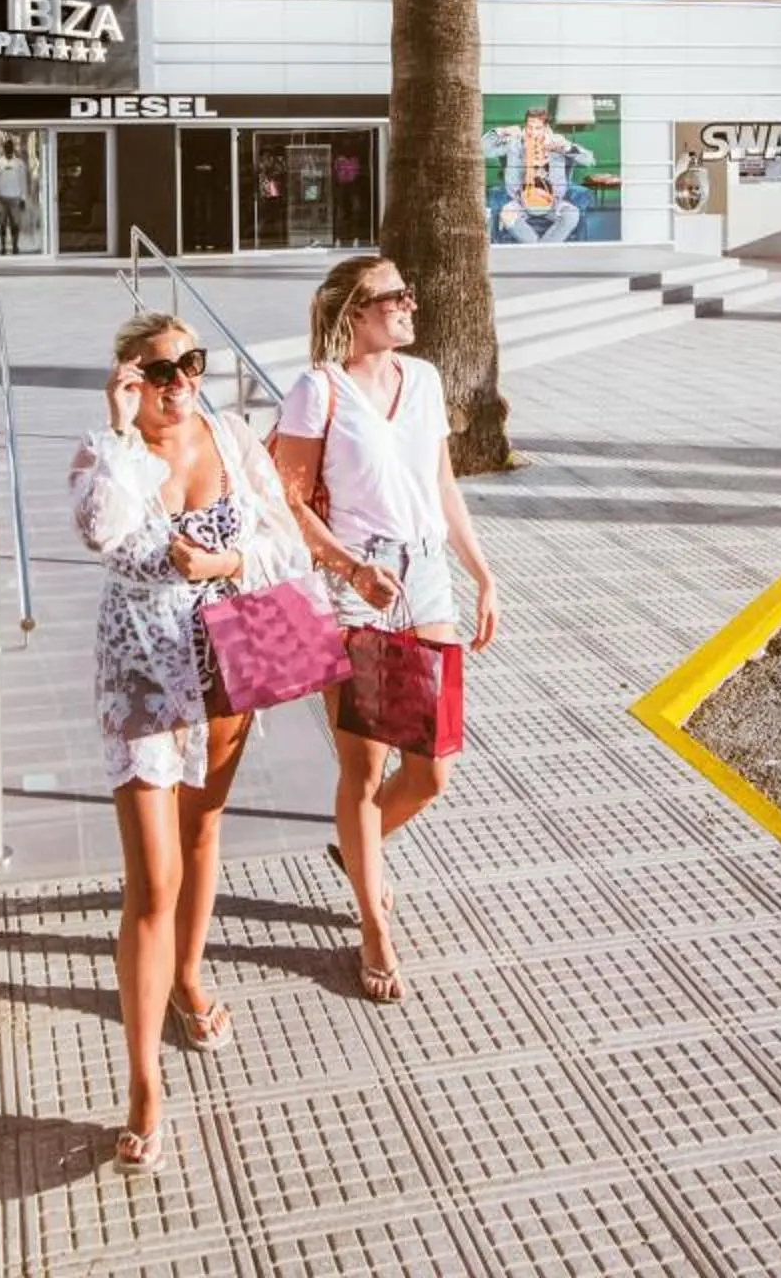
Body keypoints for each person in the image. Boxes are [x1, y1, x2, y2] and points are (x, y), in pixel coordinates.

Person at [68, 312, 309, 1173]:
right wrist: (119, 431)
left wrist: (226, 565)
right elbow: (100, 532)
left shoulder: (231, 437)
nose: (180, 383)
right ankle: (144, 1085)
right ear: (131, 378)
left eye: (190, 364)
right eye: (160, 371)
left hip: (229, 661)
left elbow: (284, 545)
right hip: (142, 677)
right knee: (151, 883)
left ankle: (188, 977)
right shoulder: (108, 453)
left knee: (204, 834)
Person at [270, 255, 500, 1004]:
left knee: (431, 770)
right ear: (354, 314)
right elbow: (289, 502)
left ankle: (356, 847)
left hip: (425, 574)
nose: (410, 304)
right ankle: (373, 926)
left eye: (408, 293)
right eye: (394, 296)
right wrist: (349, 568)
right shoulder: (318, 391)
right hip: (356, 586)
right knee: (363, 772)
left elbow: (440, 484)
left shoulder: (424, 380)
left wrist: (482, 573)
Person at [485, 104, 593, 244]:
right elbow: (484, 149)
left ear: (546, 128)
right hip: (520, 201)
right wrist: (503, 131)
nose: (533, 132)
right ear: (525, 126)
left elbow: (589, 160)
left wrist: (565, 149)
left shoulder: (557, 142)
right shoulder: (514, 142)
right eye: (530, 127)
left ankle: (538, 251)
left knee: (572, 214)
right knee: (507, 214)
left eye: (538, 128)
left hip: (554, 202)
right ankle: (540, 250)